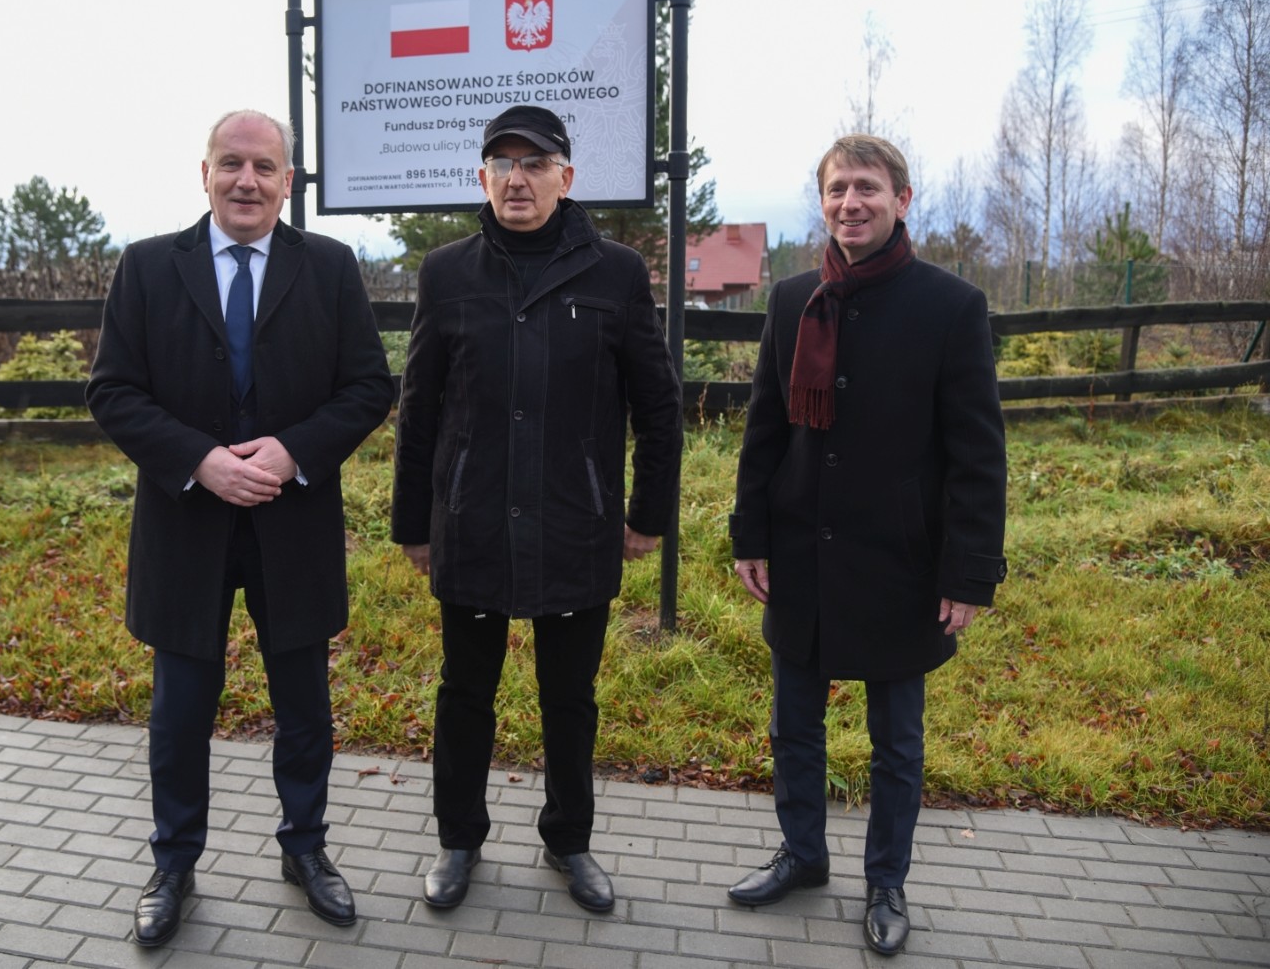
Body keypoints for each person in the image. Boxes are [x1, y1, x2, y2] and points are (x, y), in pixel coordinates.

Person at [86, 108, 393, 946]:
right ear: (205, 173)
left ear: (288, 182)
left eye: (263, 167)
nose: (246, 181)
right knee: (180, 712)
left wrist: (293, 452)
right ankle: (173, 863)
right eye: (231, 163)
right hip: (186, 527)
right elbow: (112, 391)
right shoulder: (148, 268)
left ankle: (306, 849)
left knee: (304, 708)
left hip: (294, 526)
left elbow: (368, 387)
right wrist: (201, 460)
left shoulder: (328, 267)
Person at [391, 104, 683, 914]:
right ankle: (459, 840)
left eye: (534, 163)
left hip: (574, 521)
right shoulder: (447, 273)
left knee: (570, 699)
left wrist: (647, 515)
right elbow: (419, 407)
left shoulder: (615, 273)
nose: (517, 179)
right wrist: (414, 522)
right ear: (483, 177)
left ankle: (569, 840)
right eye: (502, 164)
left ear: (567, 176)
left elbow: (659, 406)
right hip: (474, 520)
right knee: (465, 693)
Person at [726, 134, 1007, 955]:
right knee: (794, 725)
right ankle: (803, 855)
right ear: (822, 202)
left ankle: (887, 880)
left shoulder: (950, 306)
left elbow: (978, 455)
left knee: (896, 743)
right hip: (802, 555)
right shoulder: (792, 300)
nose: (851, 202)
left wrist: (968, 573)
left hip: (901, 563)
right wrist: (750, 533)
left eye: (868, 188)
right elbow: (765, 429)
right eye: (837, 188)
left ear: (902, 200)